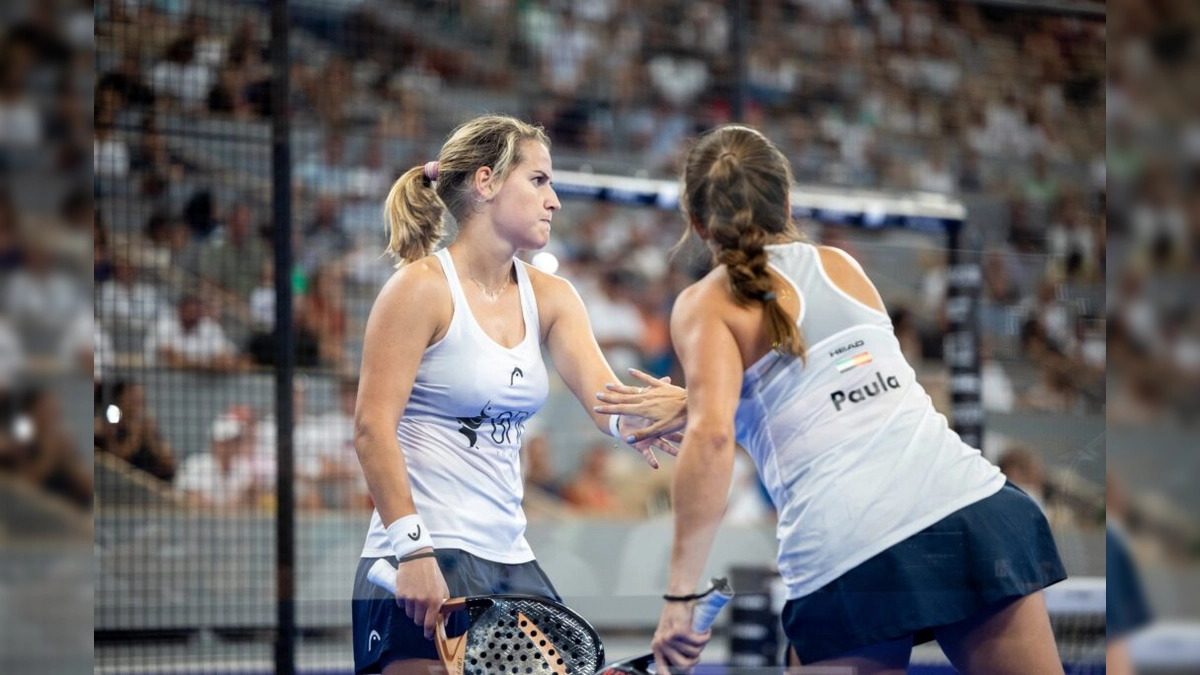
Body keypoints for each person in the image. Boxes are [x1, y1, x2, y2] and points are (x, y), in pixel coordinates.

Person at [598, 125, 1066, 675]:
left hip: (850, 547)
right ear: (788, 201)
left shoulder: (704, 304)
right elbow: (835, 393)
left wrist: (680, 598)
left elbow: (716, 437)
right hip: (970, 513)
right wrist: (697, 405)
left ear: (697, 224)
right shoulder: (842, 267)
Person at [350, 114, 684, 675]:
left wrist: (668, 412)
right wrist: (413, 550)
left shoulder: (553, 296)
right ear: (485, 183)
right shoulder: (419, 290)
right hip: (423, 552)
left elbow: (610, 406)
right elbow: (370, 429)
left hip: (510, 558)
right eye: (539, 181)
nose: (553, 200)